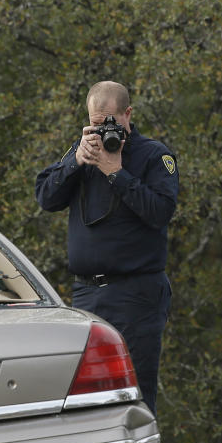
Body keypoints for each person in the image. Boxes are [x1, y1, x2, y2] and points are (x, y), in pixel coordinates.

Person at [35, 81, 178, 414]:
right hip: (87, 294)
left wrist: (117, 173)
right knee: (89, 396)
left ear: (127, 114)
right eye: (96, 124)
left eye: (110, 122)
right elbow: (45, 197)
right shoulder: (85, 151)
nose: (103, 131)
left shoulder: (153, 156)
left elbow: (161, 212)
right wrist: (75, 162)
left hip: (136, 294)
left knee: (136, 395)